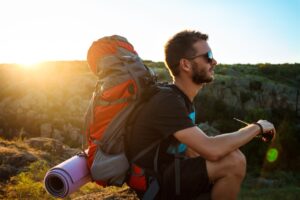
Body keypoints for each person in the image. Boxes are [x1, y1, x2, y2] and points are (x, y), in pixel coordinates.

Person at [126, 30, 276, 200]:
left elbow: (193, 150)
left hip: (168, 173)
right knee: (234, 161)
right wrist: (258, 127)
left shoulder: (180, 98)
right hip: (155, 185)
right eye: (208, 56)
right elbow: (212, 150)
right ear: (186, 65)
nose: (215, 61)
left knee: (225, 156)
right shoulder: (168, 101)